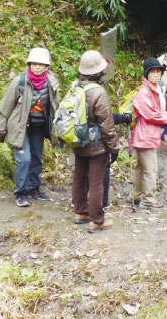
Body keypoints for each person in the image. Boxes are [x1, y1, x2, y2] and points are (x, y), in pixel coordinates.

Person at [0, 47, 60, 208]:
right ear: (29, 64)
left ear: (47, 66)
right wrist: (1, 129)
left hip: (39, 126)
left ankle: (33, 188)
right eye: (34, 64)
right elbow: (6, 106)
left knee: (37, 157)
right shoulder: (20, 81)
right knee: (24, 159)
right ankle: (21, 192)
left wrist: (58, 128)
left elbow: (56, 106)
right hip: (20, 126)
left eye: (41, 64)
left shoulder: (51, 82)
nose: (37, 67)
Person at [70, 51, 119, 232]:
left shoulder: (75, 87)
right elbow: (107, 125)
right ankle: (97, 220)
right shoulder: (99, 93)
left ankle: (80, 212)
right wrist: (114, 147)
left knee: (79, 176)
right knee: (96, 181)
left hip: (78, 140)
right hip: (96, 144)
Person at [130, 58, 167, 209]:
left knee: (141, 168)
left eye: (158, 72)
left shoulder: (156, 89)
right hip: (145, 135)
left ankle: (136, 196)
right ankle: (148, 200)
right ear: (146, 74)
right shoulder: (144, 93)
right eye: (153, 72)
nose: (156, 75)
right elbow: (151, 115)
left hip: (145, 134)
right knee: (150, 169)